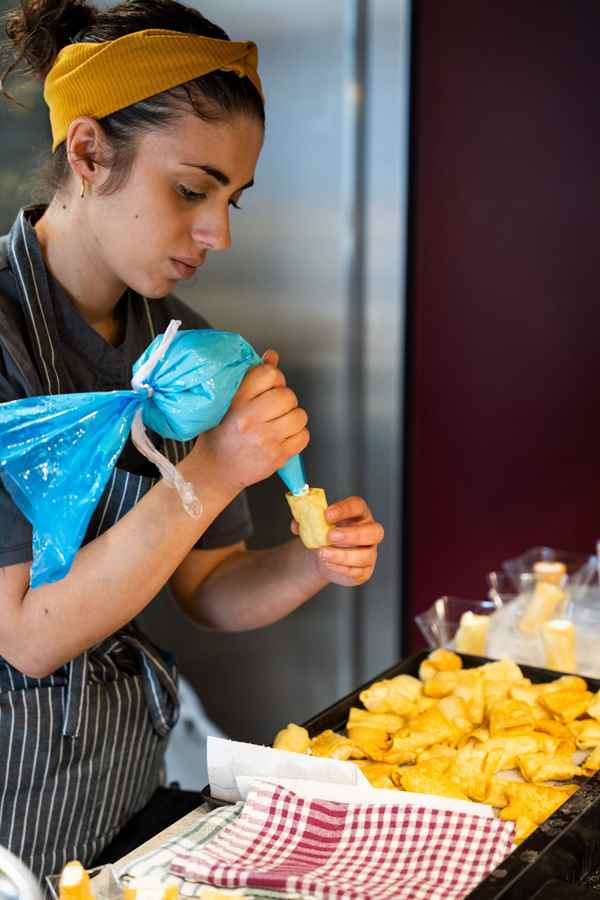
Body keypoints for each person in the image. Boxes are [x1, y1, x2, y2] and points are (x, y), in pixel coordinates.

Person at [0, 0, 385, 879]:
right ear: (89, 153)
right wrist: (212, 473)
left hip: (117, 798)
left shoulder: (185, 351)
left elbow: (207, 584)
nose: (219, 233)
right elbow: (23, 635)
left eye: (232, 199)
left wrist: (307, 564)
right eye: (191, 190)